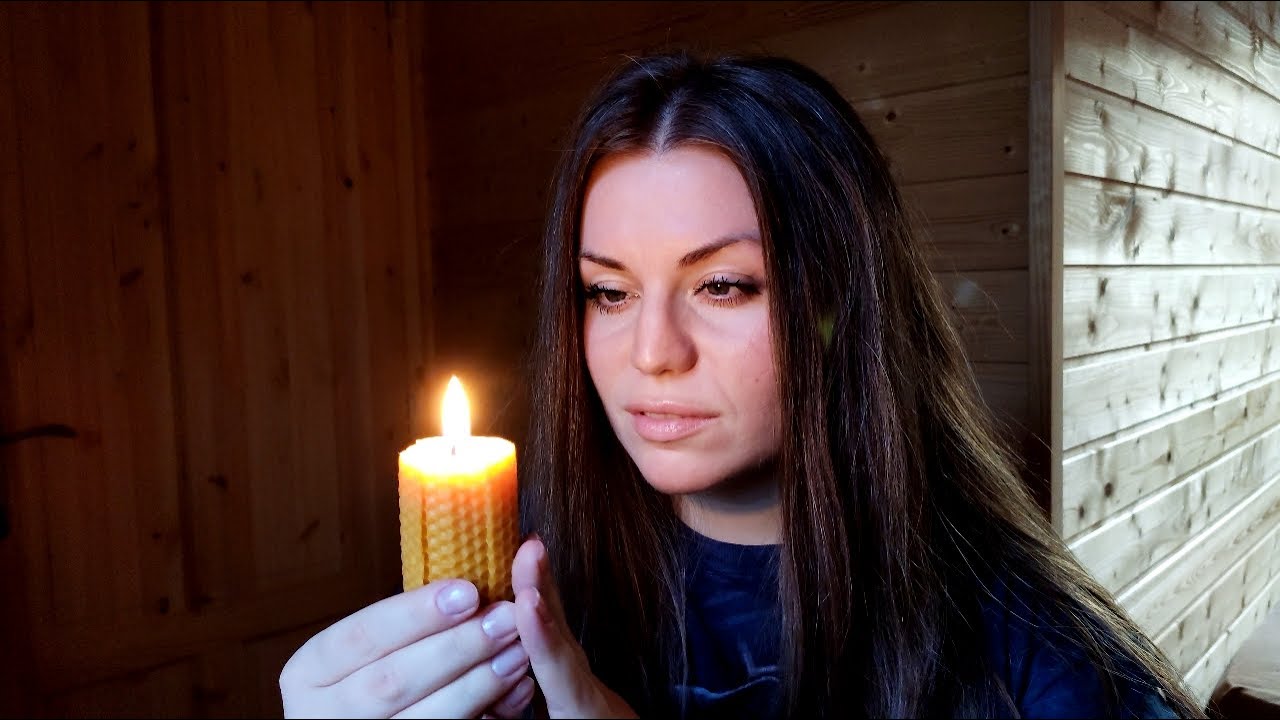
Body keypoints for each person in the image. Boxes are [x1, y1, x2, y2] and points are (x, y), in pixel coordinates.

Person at [280, 51, 1205, 719]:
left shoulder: (1034, 661)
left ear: (836, 307)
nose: (653, 352)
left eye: (722, 285)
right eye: (608, 292)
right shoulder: (520, 591)